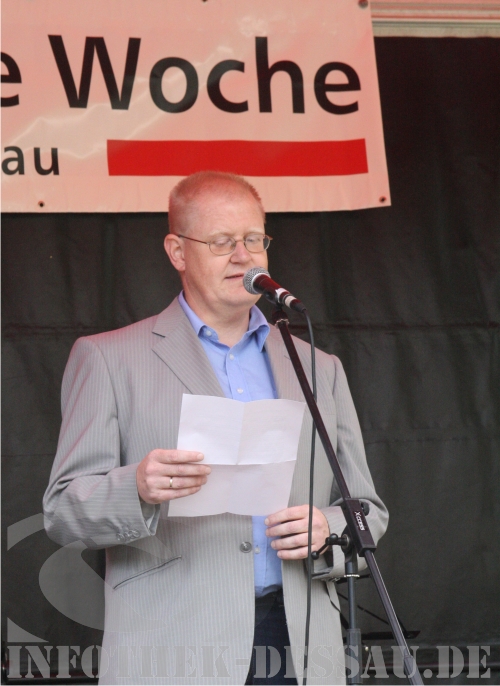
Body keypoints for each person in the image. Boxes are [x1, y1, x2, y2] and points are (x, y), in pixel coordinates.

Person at [44, 171, 388, 685]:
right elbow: (62, 511)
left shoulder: (319, 366)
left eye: (254, 239)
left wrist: (329, 529)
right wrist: (136, 487)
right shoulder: (109, 359)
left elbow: (367, 509)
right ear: (177, 252)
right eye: (222, 241)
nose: (243, 256)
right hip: (174, 642)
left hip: (299, 642)